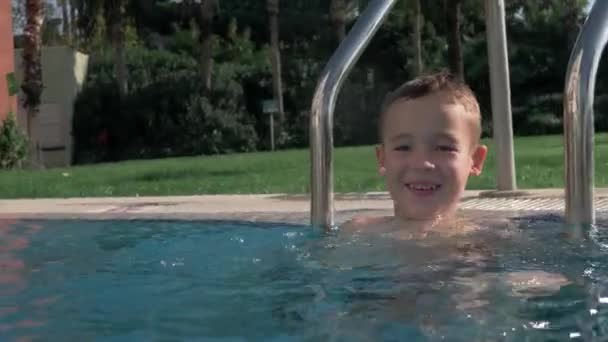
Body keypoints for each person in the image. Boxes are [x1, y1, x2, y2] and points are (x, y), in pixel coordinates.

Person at [342, 71, 487, 237]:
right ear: (382, 159)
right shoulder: (358, 232)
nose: (422, 163)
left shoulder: (482, 239)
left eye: (443, 148)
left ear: (475, 160)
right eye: (403, 147)